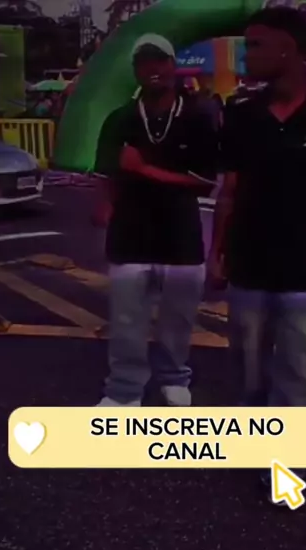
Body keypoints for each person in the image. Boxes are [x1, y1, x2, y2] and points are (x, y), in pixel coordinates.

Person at [207, 7, 306, 505]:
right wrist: (216, 253)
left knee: (303, 371)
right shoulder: (241, 115)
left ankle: (290, 463)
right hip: (249, 262)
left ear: (288, 50)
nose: (247, 55)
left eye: (256, 45)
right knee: (250, 368)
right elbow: (229, 191)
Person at [94, 34, 218, 408]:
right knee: (126, 322)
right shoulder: (120, 119)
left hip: (181, 236)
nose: (153, 68)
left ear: (173, 65)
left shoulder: (198, 117)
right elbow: (107, 174)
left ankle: (174, 377)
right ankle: (124, 390)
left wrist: (144, 169)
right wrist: (106, 205)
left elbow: (205, 182)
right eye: (144, 62)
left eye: (160, 60)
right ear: (135, 70)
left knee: (178, 319)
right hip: (129, 235)